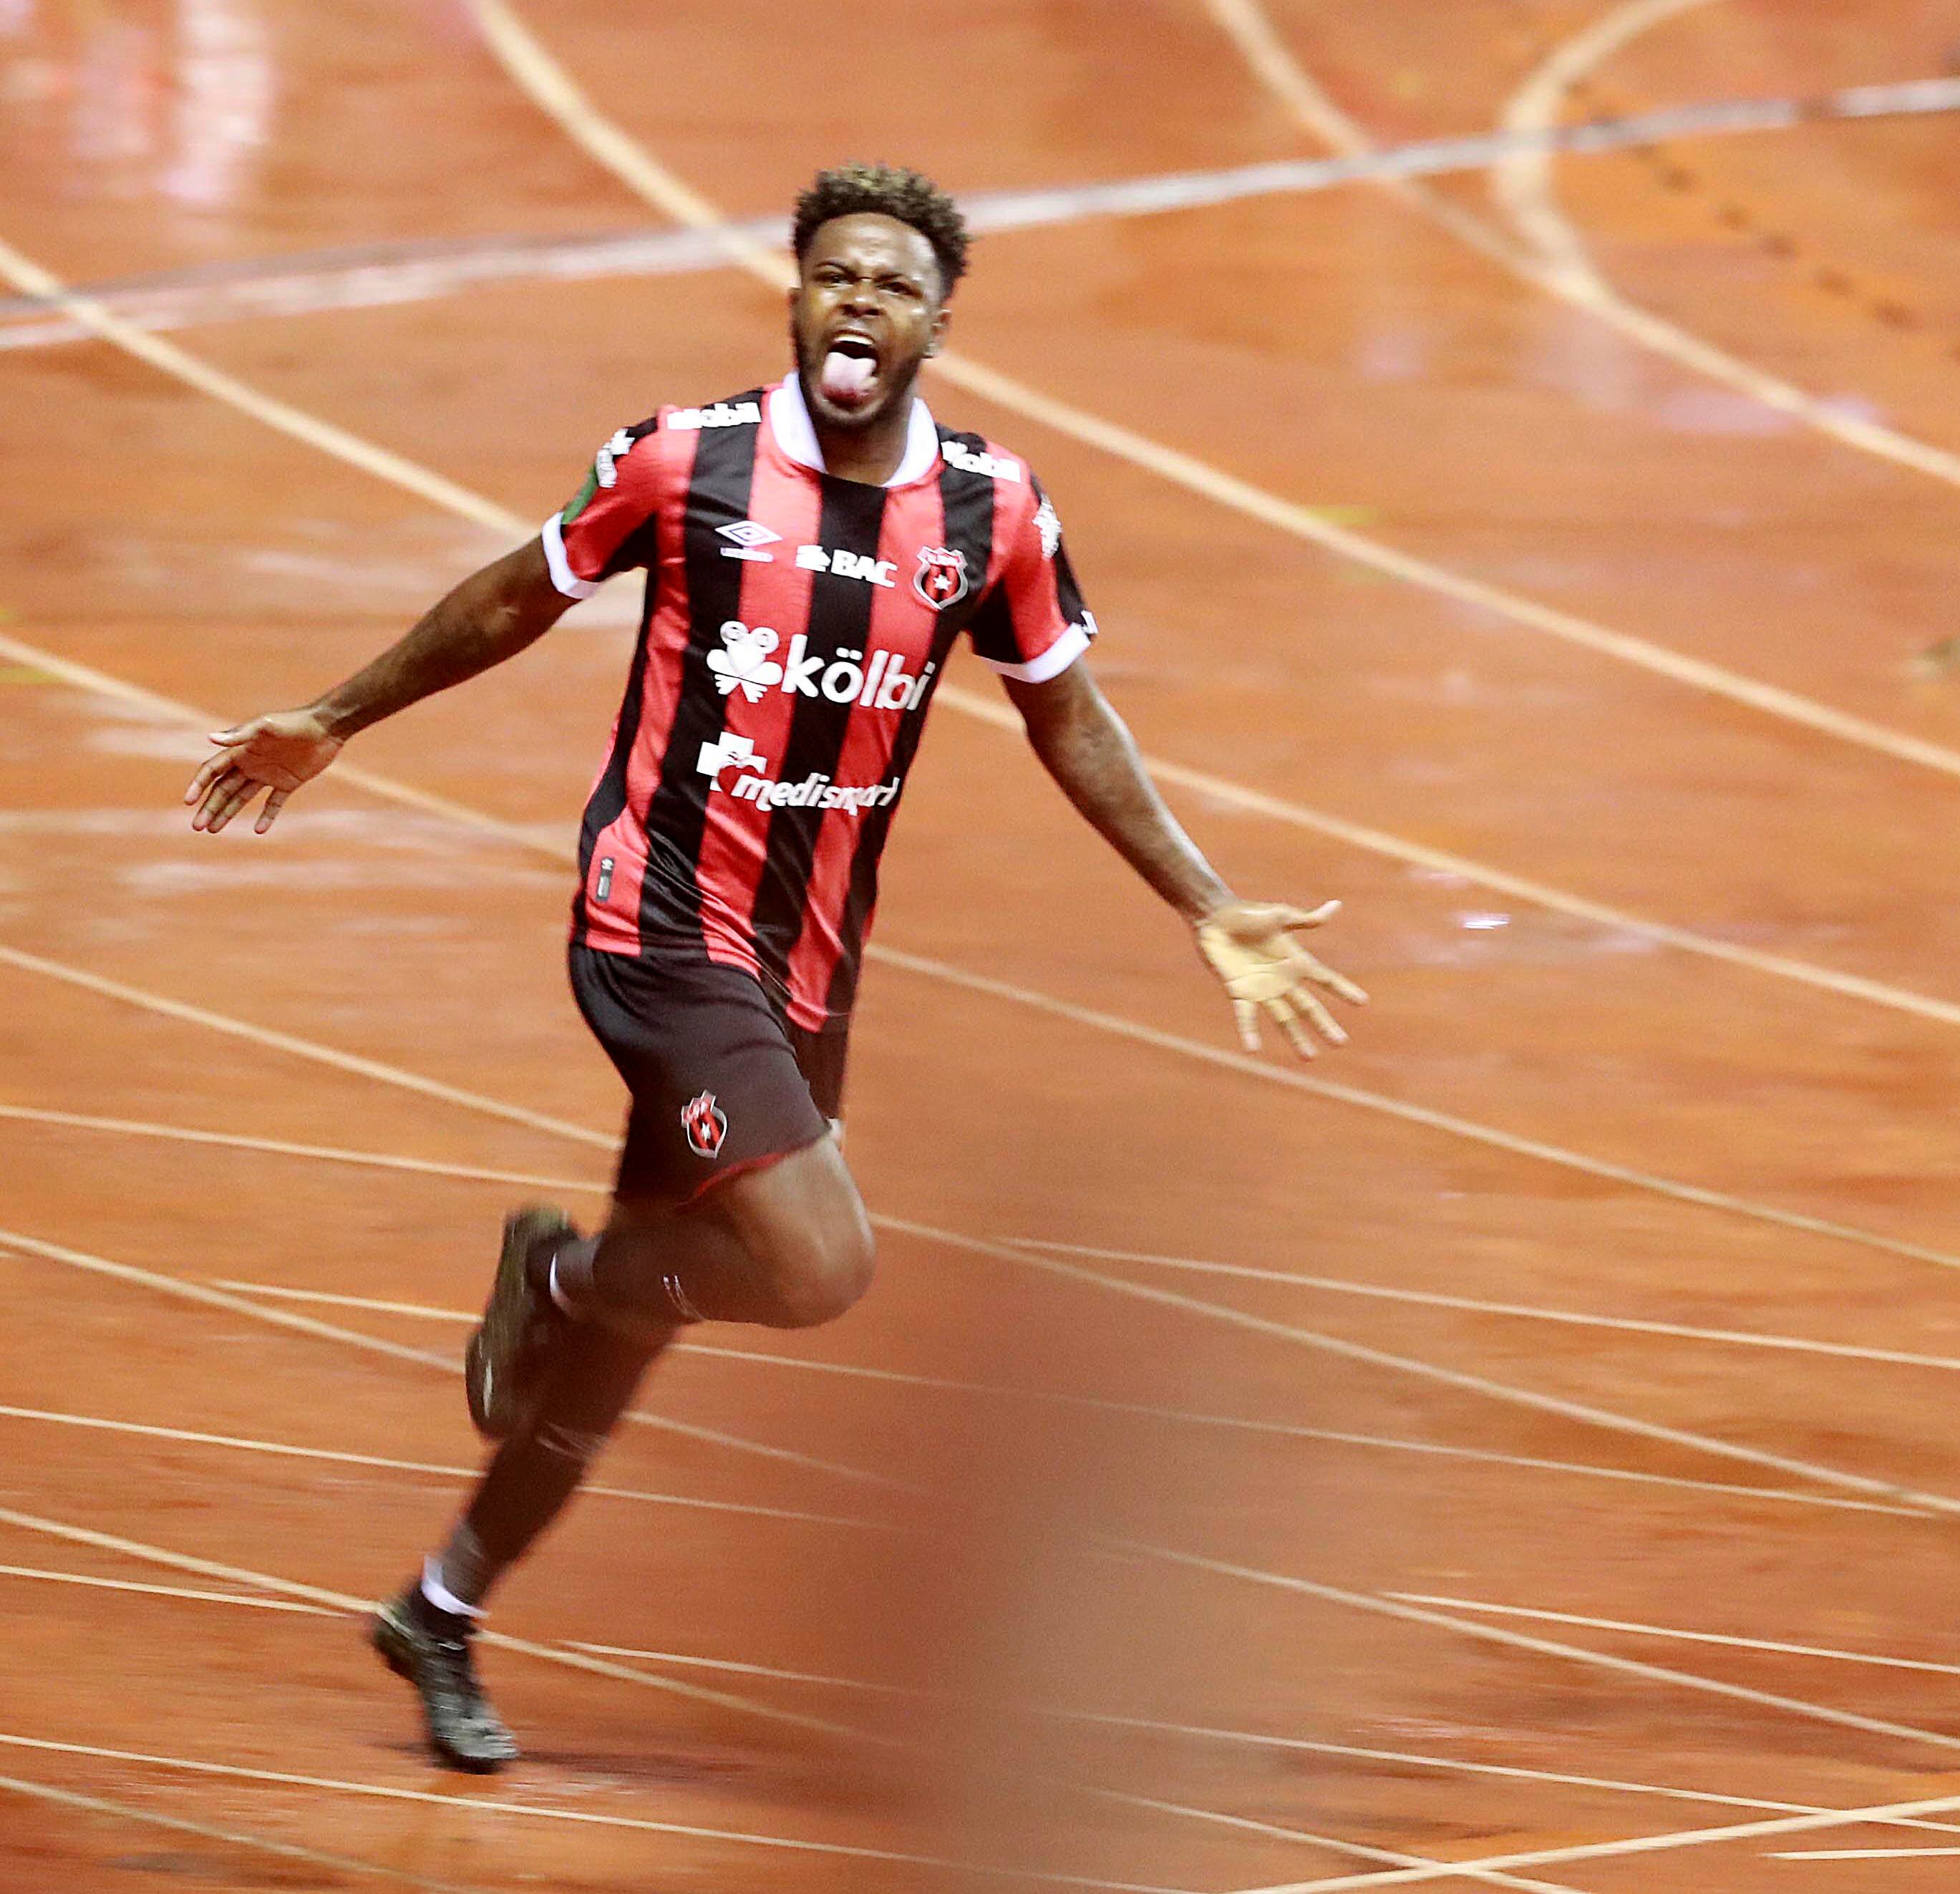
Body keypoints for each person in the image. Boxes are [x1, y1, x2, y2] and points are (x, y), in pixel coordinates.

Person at [185, 162, 1368, 1767]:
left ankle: (441, 1612)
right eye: (831, 276)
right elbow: (516, 598)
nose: (856, 301)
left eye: (890, 282)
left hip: (807, 967)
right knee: (820, 1265)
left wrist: (1204, 899)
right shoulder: (691, 462)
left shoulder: (990, 512)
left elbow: (1066, 714)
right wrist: (335, 716)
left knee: (643, 1317)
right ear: (796, 299)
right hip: (659, 928)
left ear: (939, 320)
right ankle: (549, 1278)